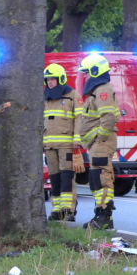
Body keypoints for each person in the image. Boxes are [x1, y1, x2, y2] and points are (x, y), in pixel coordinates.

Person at [78, 54, 120, 230]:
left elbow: (108, 118)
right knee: (95, 179)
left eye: (87, 73)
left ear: (95, 71)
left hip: (101, 143)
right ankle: (100, 215)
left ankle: (104, 217)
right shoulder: (96, 91)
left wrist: (100, 138)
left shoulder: (102, 90)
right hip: (96, 145)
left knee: (102, 179)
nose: (85, 76)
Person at [42, 63, 82, 221]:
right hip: (50, 146)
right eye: (47, 79)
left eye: (52, 79)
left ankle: (69, 209)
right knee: (54, 178)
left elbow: (80, 119)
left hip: (67, 145)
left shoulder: (73, 95)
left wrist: (77, 140)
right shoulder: (45, 98)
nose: (49, 82)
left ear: (61, 79)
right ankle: (57, 208)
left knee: (67, 177)